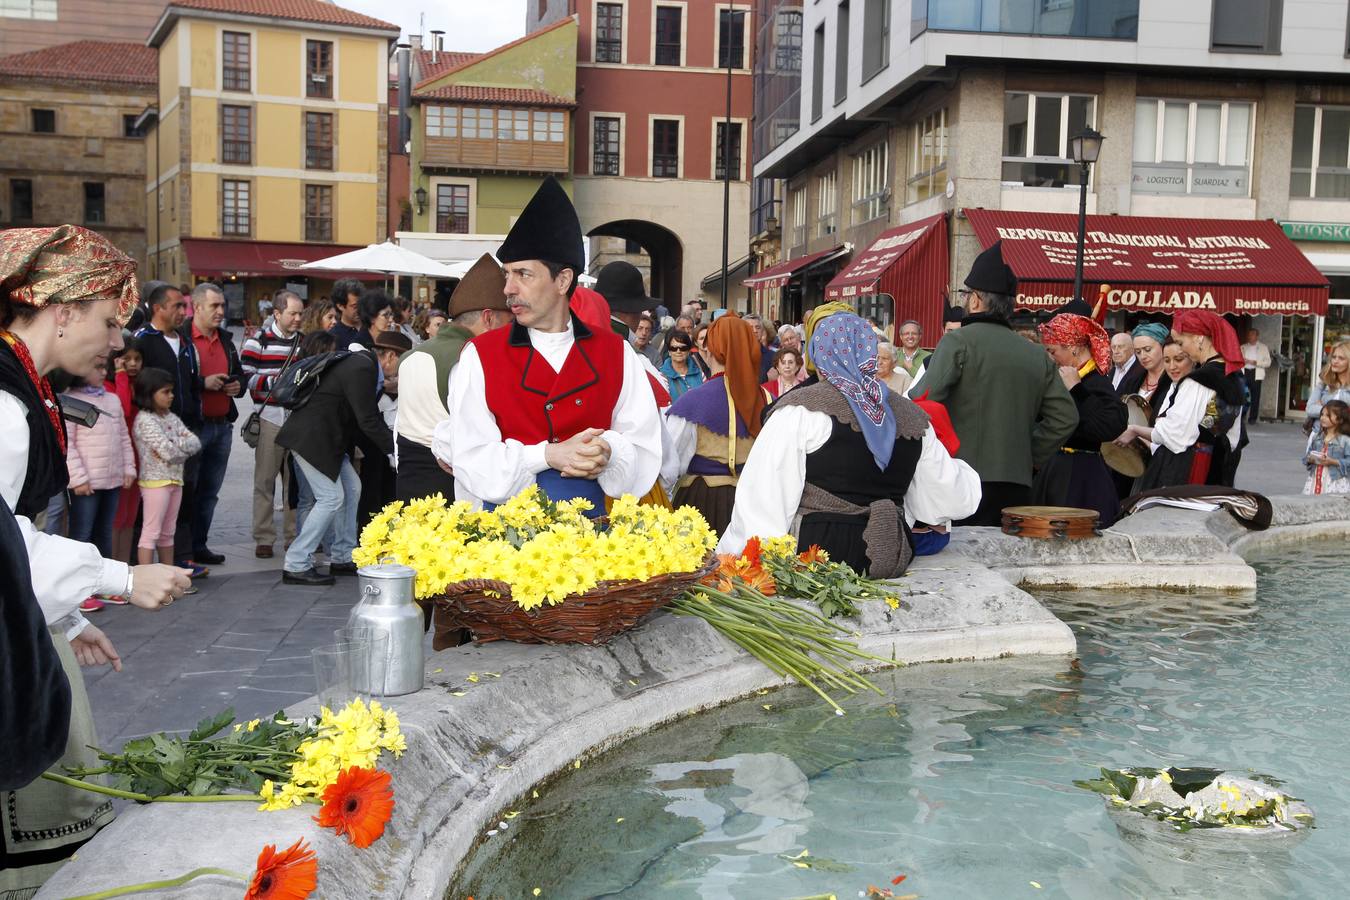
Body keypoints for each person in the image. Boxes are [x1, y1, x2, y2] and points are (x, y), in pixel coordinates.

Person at [0, 225, 189, 895]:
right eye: (110, 323)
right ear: (65, 308)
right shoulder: (4, 400)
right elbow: (4, 544)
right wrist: (122, 576)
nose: (117, 341)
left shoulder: (21, 382)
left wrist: (71, 622)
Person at [438, 176, 662, 511]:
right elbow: (471, 458)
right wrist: (546, 454)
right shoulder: (480, 356)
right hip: (505, 541)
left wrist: (608, 450)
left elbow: (643, 447)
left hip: (592, 541)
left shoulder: (616, 352)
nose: (508, 289)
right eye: (507, 275)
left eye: (523, 275)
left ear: (562, 280)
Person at [719, 313, 981, 574]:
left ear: (819, 356)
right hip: (890, 555)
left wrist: (741, 564)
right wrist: (967, 476)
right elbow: (951, 499)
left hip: (816, 562)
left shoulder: (800, 412)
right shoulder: (913, 418)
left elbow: (763, 501)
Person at [911, 242, 1077, 525]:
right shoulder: (1035, 354)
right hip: (1018, 483)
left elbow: (921, 400)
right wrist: (1029, 454)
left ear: (975, 300)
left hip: (962, 480)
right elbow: (1066, 417)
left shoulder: (957, 342)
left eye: (966, 295)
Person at [277, 331, 393, 585]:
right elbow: (367, 418)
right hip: (312, 439)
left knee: (352, 488)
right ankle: (296, 563)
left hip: (325, 440)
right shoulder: (363, 365)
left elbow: (357, 417)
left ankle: (342, 556)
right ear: (389, 357)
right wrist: (394, 448)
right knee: (331, 498)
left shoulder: (356, 361)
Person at [397, 254, 511, 503]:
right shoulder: (471, 359)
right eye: (509, 321)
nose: (513, 331)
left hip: (408, 480)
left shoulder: (411, 354)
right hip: (452, 487)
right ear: (488, 318)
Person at [663, 315, 765, 535]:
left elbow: (670, 465)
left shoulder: (693, 401)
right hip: (755, 505)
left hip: (703, 504)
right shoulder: (768, 398)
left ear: (711, 350)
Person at [1125, 312, 1245, 490]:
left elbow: (1176, 435)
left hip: (1186, 471)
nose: (1183, 349)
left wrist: (1138, 430)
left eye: (1181, 343)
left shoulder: (1197, 381)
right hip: (1220, 469)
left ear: (1199, 338)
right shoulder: (1234, 375)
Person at [134, 282, 205, 573]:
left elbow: (190, 381)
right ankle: (145, 567)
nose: (183, 311)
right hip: (155, 430)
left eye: (183, 305)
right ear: (158, 307)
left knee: (188, 498)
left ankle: (182, 557)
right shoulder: (143, 340)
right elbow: (139, 381)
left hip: (183, 425)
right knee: (152, 516)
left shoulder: (186, 342)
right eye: (177, 305)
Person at [1032, 313, 1128, 526]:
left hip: (1084, 476)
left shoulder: (1094, 381)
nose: (1051, 357)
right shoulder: (1061, 377)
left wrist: (1077, 389)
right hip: (1056, 471)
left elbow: (1113, 423)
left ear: (1073, 347)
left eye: (1053, 351)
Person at [63, 371, 136, 611]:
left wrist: (128, 468)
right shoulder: (71, 400)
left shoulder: (112, 399)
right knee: (82, 535)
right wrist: (78, 478)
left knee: (104, 533)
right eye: (97, 367)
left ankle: (103, 585)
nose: (104, 372)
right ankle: (79, 590)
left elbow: (123, 436)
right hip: (87, 483)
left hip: (112, 479)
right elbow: (68, 444)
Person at [183, 282, 243, 566]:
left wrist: (236, 387)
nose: (221, 311)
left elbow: (240, 376)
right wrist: (202, 384)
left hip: (222, 426)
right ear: (196, 307)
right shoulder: (184, 339)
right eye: (214, 306)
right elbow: (174, 380)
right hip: (195, 425)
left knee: (209, 491)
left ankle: (199, 545)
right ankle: (183, 550)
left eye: (222, 305)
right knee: (188, 489)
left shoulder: (227, 340)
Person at [240, 289, 304, 558]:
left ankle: (293, 536)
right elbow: (246, 378)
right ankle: (264, 537)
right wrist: (275, 382)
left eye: (301, 313)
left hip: (296, 420)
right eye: (293, 313)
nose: (298, 318)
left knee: (294, 485)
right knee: (265, 481)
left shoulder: (304, 342)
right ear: (277, 313)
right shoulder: (258, 341)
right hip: (269, 418)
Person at [133, 367, 203, 566]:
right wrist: (177, 447)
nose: (171, 396)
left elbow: (195, 442)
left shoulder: (170, 417)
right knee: (151, 531)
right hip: (155, 482)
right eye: (165, 392)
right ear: (149, 393)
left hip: (175, 480)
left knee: (168, 532)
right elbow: (168, 452)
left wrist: (174, 445)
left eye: (171, 391)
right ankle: (146, 576)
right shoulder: (145, 420)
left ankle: (168, 574)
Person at [357, 330, 410, 527]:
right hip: (370, 448)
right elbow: (367, 419)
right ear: (390, 356)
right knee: (370, 497)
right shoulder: (369, 374)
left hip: (384, 450)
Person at [109, 337, 143, 565]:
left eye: (137, 359)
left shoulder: (140, 383)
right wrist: (120, 374)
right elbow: (122, 408)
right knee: (118, 516)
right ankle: (114, 565)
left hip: (138, 457)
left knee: (130, 516)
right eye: (127, 359)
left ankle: (125, 565)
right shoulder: (110, 386)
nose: (132, 364)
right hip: (120, 457)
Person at [1304, 339, 1350, 440]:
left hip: (1344, 441)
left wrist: (1324, 408)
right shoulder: (1324, 383)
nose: (1335, 361)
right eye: (1334, 357)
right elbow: (1310, 409)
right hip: (1318, 436)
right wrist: (1341, 411)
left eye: (1341, 358)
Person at [1304, 399, 1349, 495]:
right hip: (1315, 479)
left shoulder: (1345, 440)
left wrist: (1333, 461)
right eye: (1322, 414)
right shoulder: (1317, 437)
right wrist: (1310, 459)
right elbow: (1308, 455)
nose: (1323, 418)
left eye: (1328, 416)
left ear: (1340, 420)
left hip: (1334, 482)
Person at [1130, 322, 1173, 415]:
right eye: (1138, 352)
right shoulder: (1133, 380)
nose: (1143, 356)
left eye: (1147, 349)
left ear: (1163, 347)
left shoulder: (1173, 380)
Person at [659, 331, 704, 400]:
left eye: (683, 348)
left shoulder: (700, 374)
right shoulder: (662, 377)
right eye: (673, 348)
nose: (678, 351)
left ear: (688, 351)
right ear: (669, 352)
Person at [1241, 327, 1272, 423]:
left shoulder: (1263, 347)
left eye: (1252, 335)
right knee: (1243, 396)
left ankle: (1252, 418)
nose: (1250, 336)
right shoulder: (1242, 347)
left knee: (1255, 397)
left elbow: (1268, 362)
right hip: (1244, 372)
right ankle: (1242, 416)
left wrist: (1256, 362)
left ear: (1257, 336)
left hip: (1256, 373)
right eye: (1249, 335)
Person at [329, 277, 365, 347]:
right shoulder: (333, 337)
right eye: (355, 306)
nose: (360, 309)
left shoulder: (372, 329)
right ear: (340, 306)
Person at [1110, 330, 1145, 396]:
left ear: (1132, 349)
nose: (1116, 351)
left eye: (1120, 347)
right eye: (1113, 347)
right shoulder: (1111, 371)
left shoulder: (1142, 370)